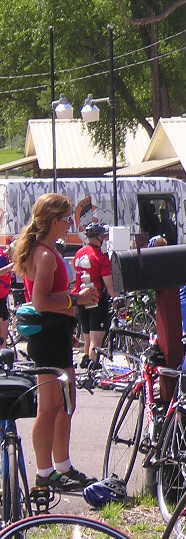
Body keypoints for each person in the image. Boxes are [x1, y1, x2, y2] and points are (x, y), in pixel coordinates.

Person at [12, 194, 98, 492]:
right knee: (51, 407)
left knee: (63, 404)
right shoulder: (46, 255)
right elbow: (40, 301)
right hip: (48, 341)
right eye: (65, 220)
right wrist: (77, 299)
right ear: (52, 220)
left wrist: (67, 322)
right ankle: (46, 472)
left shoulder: (44, 251)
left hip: (54, 336)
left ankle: (59, 467)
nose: (69, 225)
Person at [73, 223, 114, 369]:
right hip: (96, 298)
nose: (104, 238)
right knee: (96, 339)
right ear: (98, 237)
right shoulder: (101, 258)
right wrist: (116, 296)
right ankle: (93, 367)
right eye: (102, 235)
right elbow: (109, 285)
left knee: (87, 335)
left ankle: (85, 360)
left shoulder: (79, 253)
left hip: (80, 298)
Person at [0, 244, 13, 345]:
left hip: (3, 295)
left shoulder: (2, 252)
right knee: (3, 323)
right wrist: (10, 267)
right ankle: (3, 350)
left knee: (4, 322)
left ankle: (3, 350)